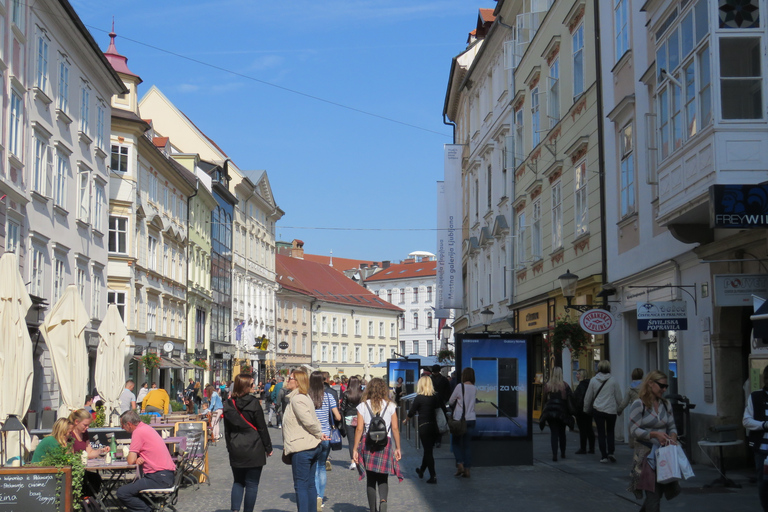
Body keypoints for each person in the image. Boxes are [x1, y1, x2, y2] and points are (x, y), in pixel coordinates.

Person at [628, 370, 680, 511]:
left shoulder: (666, 404)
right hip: (646, 456)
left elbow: (672, 426)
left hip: (664, 455)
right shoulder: (639, 405)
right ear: (650, 384)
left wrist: (673, 437)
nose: (664, 389)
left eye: (666, 387)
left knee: (659, 492)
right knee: (653, 494)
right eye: (661, 386)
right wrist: (654, 434)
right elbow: (633, 430)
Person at [223, 373, 273, 512]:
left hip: (236, 446)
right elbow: (262, 427)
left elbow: (227, 430)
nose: (254, 386)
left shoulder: (228, 404)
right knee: (252, 484)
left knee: (238, 482)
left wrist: (229, 446)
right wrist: (268, 447)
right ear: (246, 386)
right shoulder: (253, 403)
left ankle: (234, 510)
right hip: (254, 446)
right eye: (252, 384)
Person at [352, 377, 402, 512]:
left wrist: (355, 449)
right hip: (385, 444)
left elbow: (359, 429)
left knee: (371, 478)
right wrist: (398, 447)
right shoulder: (390, 405)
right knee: (383, 477)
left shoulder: (363, 406)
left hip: (368, 444)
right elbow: (395, 428)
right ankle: (383, 500)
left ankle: (373, 509)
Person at [282, 369, 327, 512]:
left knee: (301, 485)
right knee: (309, 485)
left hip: (302, 447)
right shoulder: (303, 397)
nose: (287, 380)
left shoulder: (298, 399)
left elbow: (309, 421)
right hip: (309, 445)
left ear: (298, 382)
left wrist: (320, 434)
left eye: (290, 378)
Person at [116, 410, 178, 512]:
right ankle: (148, 508)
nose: (122, 428)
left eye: (122, 425)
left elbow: (130, 460)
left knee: (122, 492)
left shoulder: (138, 432)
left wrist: (134, 458)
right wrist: (138, 458)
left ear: (129, 424)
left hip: (158, 477)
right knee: (133, 490)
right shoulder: (146, 428)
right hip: (166, 475)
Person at [405, 376, 447, 483]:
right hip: (434, 427)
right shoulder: (435, 397)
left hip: (424, 427)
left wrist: (406, 420)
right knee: (428, 450)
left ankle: (433, 476)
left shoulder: (419, 398)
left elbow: (412, 412)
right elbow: (442, 409)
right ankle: (421, 470)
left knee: (428, 452)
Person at [311, 371, 342, 511]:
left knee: (312, 467)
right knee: (321, 466)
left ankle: (314, 495)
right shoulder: (329, 397)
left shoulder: (307, 397)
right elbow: (338, 417)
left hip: (312, 436)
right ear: (323, 381)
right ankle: (320, 497)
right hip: (327, 436)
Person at [583, 360, 623, 463]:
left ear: (599, 368)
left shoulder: (593, 380)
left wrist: (586, 408)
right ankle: (611, 452)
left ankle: (603, 456)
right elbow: (618, 397)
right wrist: (619, 409)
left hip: (598, 410)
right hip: (611, 410)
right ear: (609, 368)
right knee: (610, 431)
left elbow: (588, 396)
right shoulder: (613, 380)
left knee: (601, 433)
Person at [744, 365, 768, 511]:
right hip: (762, 450)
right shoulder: (756, 397)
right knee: (764, 483)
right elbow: (746, 421)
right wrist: (764, 425)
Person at [539, 367, 574, 462]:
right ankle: (563, 452)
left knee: (554, 433)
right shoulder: (565, 385)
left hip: (550, 412)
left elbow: (544, 400)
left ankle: (554, 454)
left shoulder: (547, 385)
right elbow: (569, 399)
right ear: (561, 374)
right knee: (562, 433)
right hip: (562, 412)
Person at [448, 367, 477, 478]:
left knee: (455, 443)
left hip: (459, 420)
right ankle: (467, 469)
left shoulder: (460, 387)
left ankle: (460, 463)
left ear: (464, 376)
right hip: (471, 419)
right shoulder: (474, 388)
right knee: (467, 446)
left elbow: (451, 401)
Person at [340, 376, 363, 470]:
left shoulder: (346, 393)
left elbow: (343, 408)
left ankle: (353, 461)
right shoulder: (362, 394)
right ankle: (360, 460)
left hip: (349, 417)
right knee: (360, 440)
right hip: (360, 417)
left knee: (351, 441)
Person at [618, 368, 645, 448]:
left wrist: (619, 410)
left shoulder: (630, 388)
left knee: (633, 429)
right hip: (646, 410)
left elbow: (624, 402)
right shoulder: (646, 387)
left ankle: (634, 445)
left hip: (635, 412)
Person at [573, 369, 595, 454]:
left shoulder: (581, 385)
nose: (576, 375)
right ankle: (591, 448)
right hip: (589, 409)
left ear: (582, 375)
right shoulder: (590, 384)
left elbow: (579, 398)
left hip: (581, 410)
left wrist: (577, 408)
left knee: (582, 429)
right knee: (589, 428)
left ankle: (583, 448)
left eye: (578, 374)